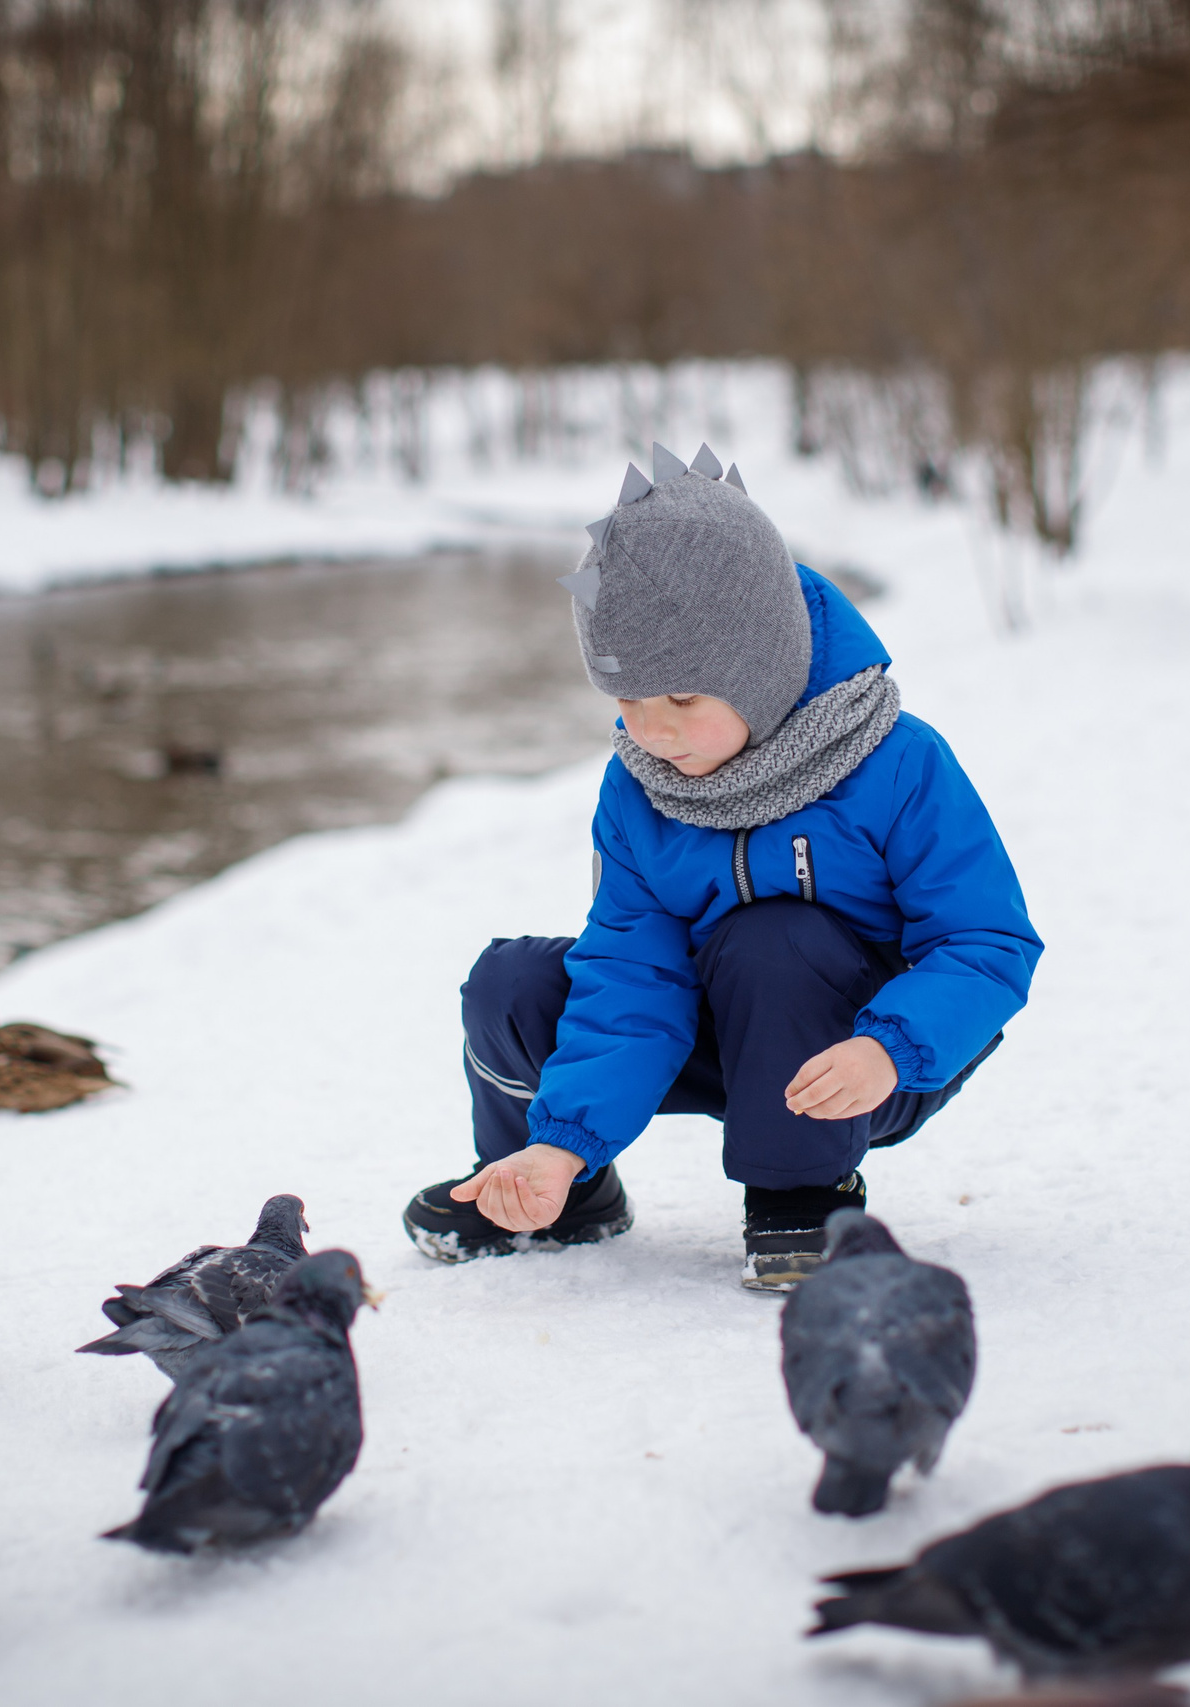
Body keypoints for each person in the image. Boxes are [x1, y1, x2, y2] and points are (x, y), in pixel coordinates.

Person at [400, 443, 1041, 1291]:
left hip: (859, 1061)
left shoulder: (896, 763)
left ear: (762, 668)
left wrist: (888, 1049)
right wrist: (566, 1138)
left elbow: (988, 942)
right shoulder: (640, 787)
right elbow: (633, 970)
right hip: (712, 1028)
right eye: (627, 701)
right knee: (509, 985)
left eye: (683, 701)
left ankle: (803, 1194)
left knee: (773, 933)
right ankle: (547, 1184)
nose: (652, 731)